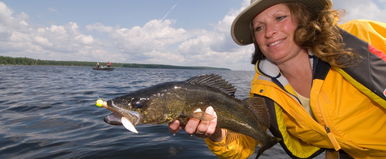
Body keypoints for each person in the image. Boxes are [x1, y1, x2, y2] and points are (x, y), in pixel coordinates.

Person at [169, 0, 386, 158]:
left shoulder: (361, 36)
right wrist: (216, 135)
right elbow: (243, 147)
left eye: (280, 18)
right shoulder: (263, 91)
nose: (269, 32)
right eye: (259, 27)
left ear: (303, 17)